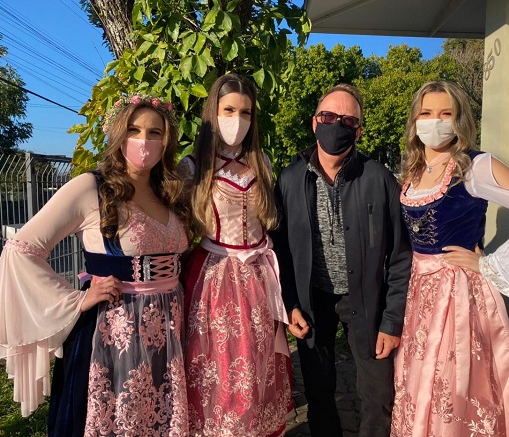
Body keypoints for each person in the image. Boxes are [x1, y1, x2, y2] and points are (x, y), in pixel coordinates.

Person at [0, 94, 191, 436]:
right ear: (118, 135)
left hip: (170, 329)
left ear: (167, 141)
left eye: (155, 133)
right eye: (133, 130)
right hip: (114, 334)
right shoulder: (91, 187)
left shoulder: (170, 191)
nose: (144, 141)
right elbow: (21, 249)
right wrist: (77, 299)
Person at [391, 80, 509, 437]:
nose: (435, 121)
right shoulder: (414, 169)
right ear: (415, 120)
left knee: (454, 386)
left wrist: (489, 264)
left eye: (446, 113)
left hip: (456, 294)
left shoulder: (474, 166)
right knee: (418, 381)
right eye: (426, 113)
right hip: (419, 293)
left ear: (459, 120)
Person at [271, 83, 413, 437]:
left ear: (359, 130)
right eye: (328, 116)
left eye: (348, 120)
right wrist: (290, 304)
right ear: (314, 122)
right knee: (318, 391)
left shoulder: (379, 179)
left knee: (378, 395)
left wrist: (392, 321)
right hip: (312, 300)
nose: (337, 124)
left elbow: (401, 256)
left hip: (366, 301)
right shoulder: (289, 180)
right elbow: (279, 251)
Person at [179, 73, 292, 437]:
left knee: (256, 366)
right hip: (212, 278)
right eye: (229, 110)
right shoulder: (193, 166)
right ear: (213, 111)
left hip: (258, 278)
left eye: (245, 112)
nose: (237, 120)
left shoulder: (262, 163)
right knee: (215, 366)